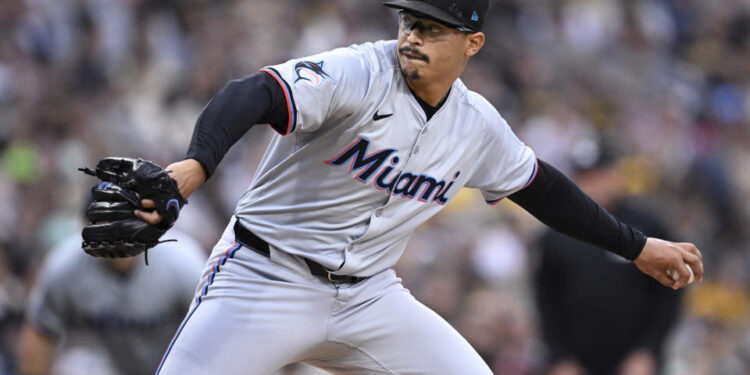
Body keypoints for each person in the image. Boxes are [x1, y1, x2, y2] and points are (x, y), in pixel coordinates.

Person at [139, 1, 703, 373]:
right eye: (409, 20)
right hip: (265, 275)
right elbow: (255, 92)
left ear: (472, 43)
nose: (412, 35)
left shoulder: (475, 124)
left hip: (368, 296)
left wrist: (638, 246)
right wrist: (196, 165)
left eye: (432, 27)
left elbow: (544, 189)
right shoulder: (358, 71)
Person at [534, 146, 683, 375]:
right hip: (577, 364)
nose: (592, 184)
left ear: (615, 175)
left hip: (635, 363)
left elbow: (670, 292)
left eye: (598, 175)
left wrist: (648, 350)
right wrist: (560, 357)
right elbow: (546, 301)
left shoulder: (648, 227)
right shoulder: (555, 236)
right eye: (584, 177)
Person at [17, 230, 205, 375]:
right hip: (111, 367)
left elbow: (214, 331)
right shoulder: (66, 265)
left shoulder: (181, 261)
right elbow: (40, 332)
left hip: (180, 368)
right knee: (74, 364)